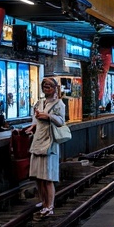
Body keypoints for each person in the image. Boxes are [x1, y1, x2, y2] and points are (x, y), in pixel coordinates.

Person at [29, 76, 67, 219]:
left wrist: (48, 116)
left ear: (54, 88)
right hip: (37, 141)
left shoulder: (59, 104)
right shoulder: (39, 103)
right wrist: (31, 127)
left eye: (49, 86)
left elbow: (61, 121)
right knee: (38, 177)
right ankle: (43, 203)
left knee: (48, 177)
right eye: (44, 86)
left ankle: (50, 206)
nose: (46, 89)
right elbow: (35, 121)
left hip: (50, 143)